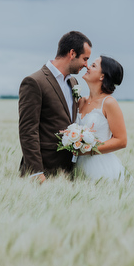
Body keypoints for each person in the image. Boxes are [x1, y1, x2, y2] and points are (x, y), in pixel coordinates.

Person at [18, 31, 92, 183]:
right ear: (72, 53)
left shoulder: (73, 83)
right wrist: (35, 172)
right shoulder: (34, 82)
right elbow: (27, 130)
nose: (86, 65)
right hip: (43, 171)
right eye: (85, 59)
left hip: (68, 172)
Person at [75, 55, 128, 180]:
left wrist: (89, 150)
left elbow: (121, 140)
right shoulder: (80, 101)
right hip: (76, 165)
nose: (87, 66)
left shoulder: (109, 103)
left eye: (93, 66)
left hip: (100, 168)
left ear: (102, 76)